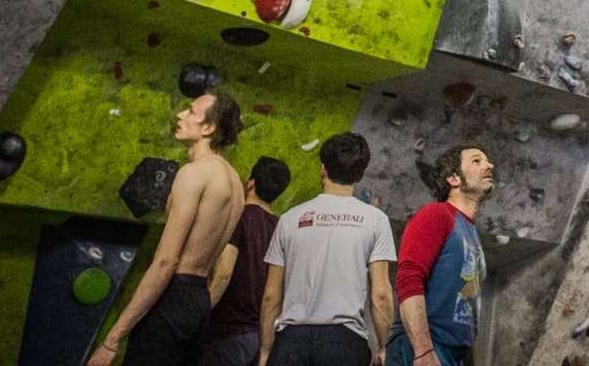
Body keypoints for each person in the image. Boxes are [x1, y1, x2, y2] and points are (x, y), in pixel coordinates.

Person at [89, 92, 247, 365]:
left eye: (190, 112)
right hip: (198, 301)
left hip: (172, 296)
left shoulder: (194, 174)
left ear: (208, 128)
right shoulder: (235, 183)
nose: (180, 115)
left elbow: (165, 262)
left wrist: (111, 341)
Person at [259, 133, 396, 366]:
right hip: (345, 343)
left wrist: (265, 351)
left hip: (290, 342)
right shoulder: (376, 220)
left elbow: (271, 296)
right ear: (360, 174)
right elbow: (381, 294)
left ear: (322, 169)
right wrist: (384, 347)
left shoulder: (290, 219)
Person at [385, 145, 495, 366]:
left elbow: (467, 307)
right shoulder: (436, 215)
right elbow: (408, 279)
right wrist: (423, 352)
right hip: (423, 349)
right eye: (476, 161)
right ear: (453, 178)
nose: (489, 165)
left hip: (452, 354)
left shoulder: (469, 231)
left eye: (487, 161)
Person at [198, 155, 294, 366]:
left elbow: (223, 273)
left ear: (251, 181)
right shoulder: (282, 229)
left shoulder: (239, 217)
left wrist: (198, 314)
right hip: (259, 334)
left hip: (226, 331)